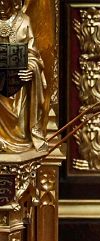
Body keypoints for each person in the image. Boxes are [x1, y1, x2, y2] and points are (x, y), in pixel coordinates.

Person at [0, 0, 46, 152]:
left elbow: (33, 55)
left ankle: (19, 137)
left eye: (5, 1)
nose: (1, 4)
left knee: (20, 121)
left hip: (18, 85)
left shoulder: (24, 21)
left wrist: (31, 68)